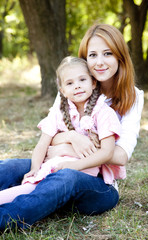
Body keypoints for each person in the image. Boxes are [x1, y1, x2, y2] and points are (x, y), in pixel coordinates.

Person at [0, 23, 144, 231]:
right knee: (12, 167)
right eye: (93, 55)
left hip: (98, 182)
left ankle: (5, 219)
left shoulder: (132, 96)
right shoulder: (73, 84)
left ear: (120, 56)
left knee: (65, 177)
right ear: (85, 59)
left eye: (108, 53)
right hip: (58, 161)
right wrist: (73, 138)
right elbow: (50, 136)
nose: (100, 62)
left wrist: (66, 148)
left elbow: (121, 156)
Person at [0, 56, 121, 205]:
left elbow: (107, 152)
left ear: (93, 83)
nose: (77, 86)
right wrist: (35, 167)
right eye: (70, 83)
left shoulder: (103, 113)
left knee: (35, 189)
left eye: (82, 80)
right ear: (62, 91)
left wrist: (74, 165)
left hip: (84, 172)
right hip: (57, 164)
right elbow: (42, 144)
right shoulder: (59, 113)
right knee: (30, 186)